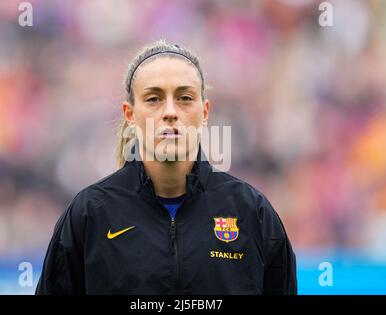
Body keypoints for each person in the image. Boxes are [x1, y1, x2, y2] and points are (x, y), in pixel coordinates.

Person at [35, 40, 297, 295]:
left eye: (184, 98)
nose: (170, 111)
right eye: (153, 99)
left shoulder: (252, 212)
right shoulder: (90, 214)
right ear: (130, 114)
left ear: (204, 112)